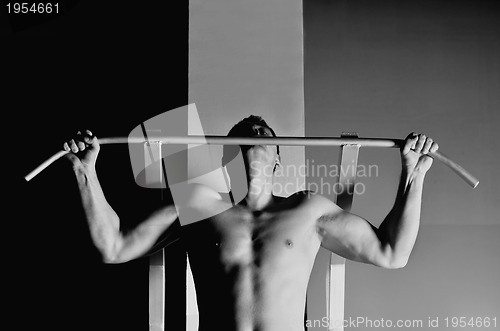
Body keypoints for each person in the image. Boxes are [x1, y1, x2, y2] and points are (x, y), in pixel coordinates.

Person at [63, 116, 438, 331]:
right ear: (228, 156)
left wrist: (413, 175)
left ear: (278, 159)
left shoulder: (307, 210)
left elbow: (393, 252)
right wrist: (86, 173)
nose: (256, 134)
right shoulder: (200, 208)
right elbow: (113, 246)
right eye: (245, 135)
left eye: (265, 135)